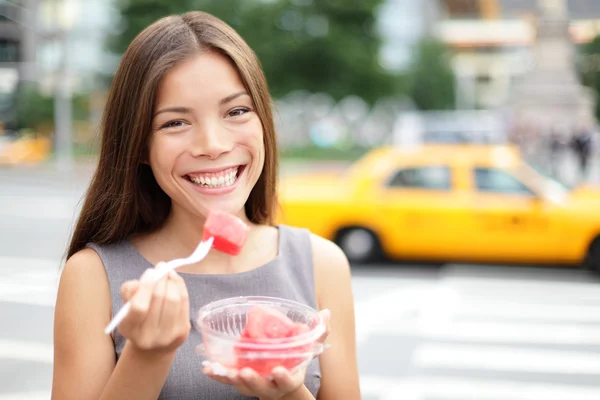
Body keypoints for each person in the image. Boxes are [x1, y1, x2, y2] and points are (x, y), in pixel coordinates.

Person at [51, 11, 360, 400]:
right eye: (175, 123)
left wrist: (288, 394)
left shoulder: (322, 265)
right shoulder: (93, 276)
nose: (213, 144)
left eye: (236, 111)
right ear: (140, 147)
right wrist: (148, 354)